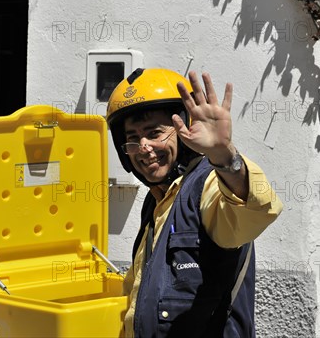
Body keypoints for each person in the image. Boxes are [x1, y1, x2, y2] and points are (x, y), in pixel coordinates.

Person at [106, 68, 283, 337]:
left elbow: (257, 208)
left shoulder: (208, 186)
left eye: (154, 133)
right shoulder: (156, 201)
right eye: (132, 138)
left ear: (182, 132)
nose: (143, 147)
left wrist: (225, 158)